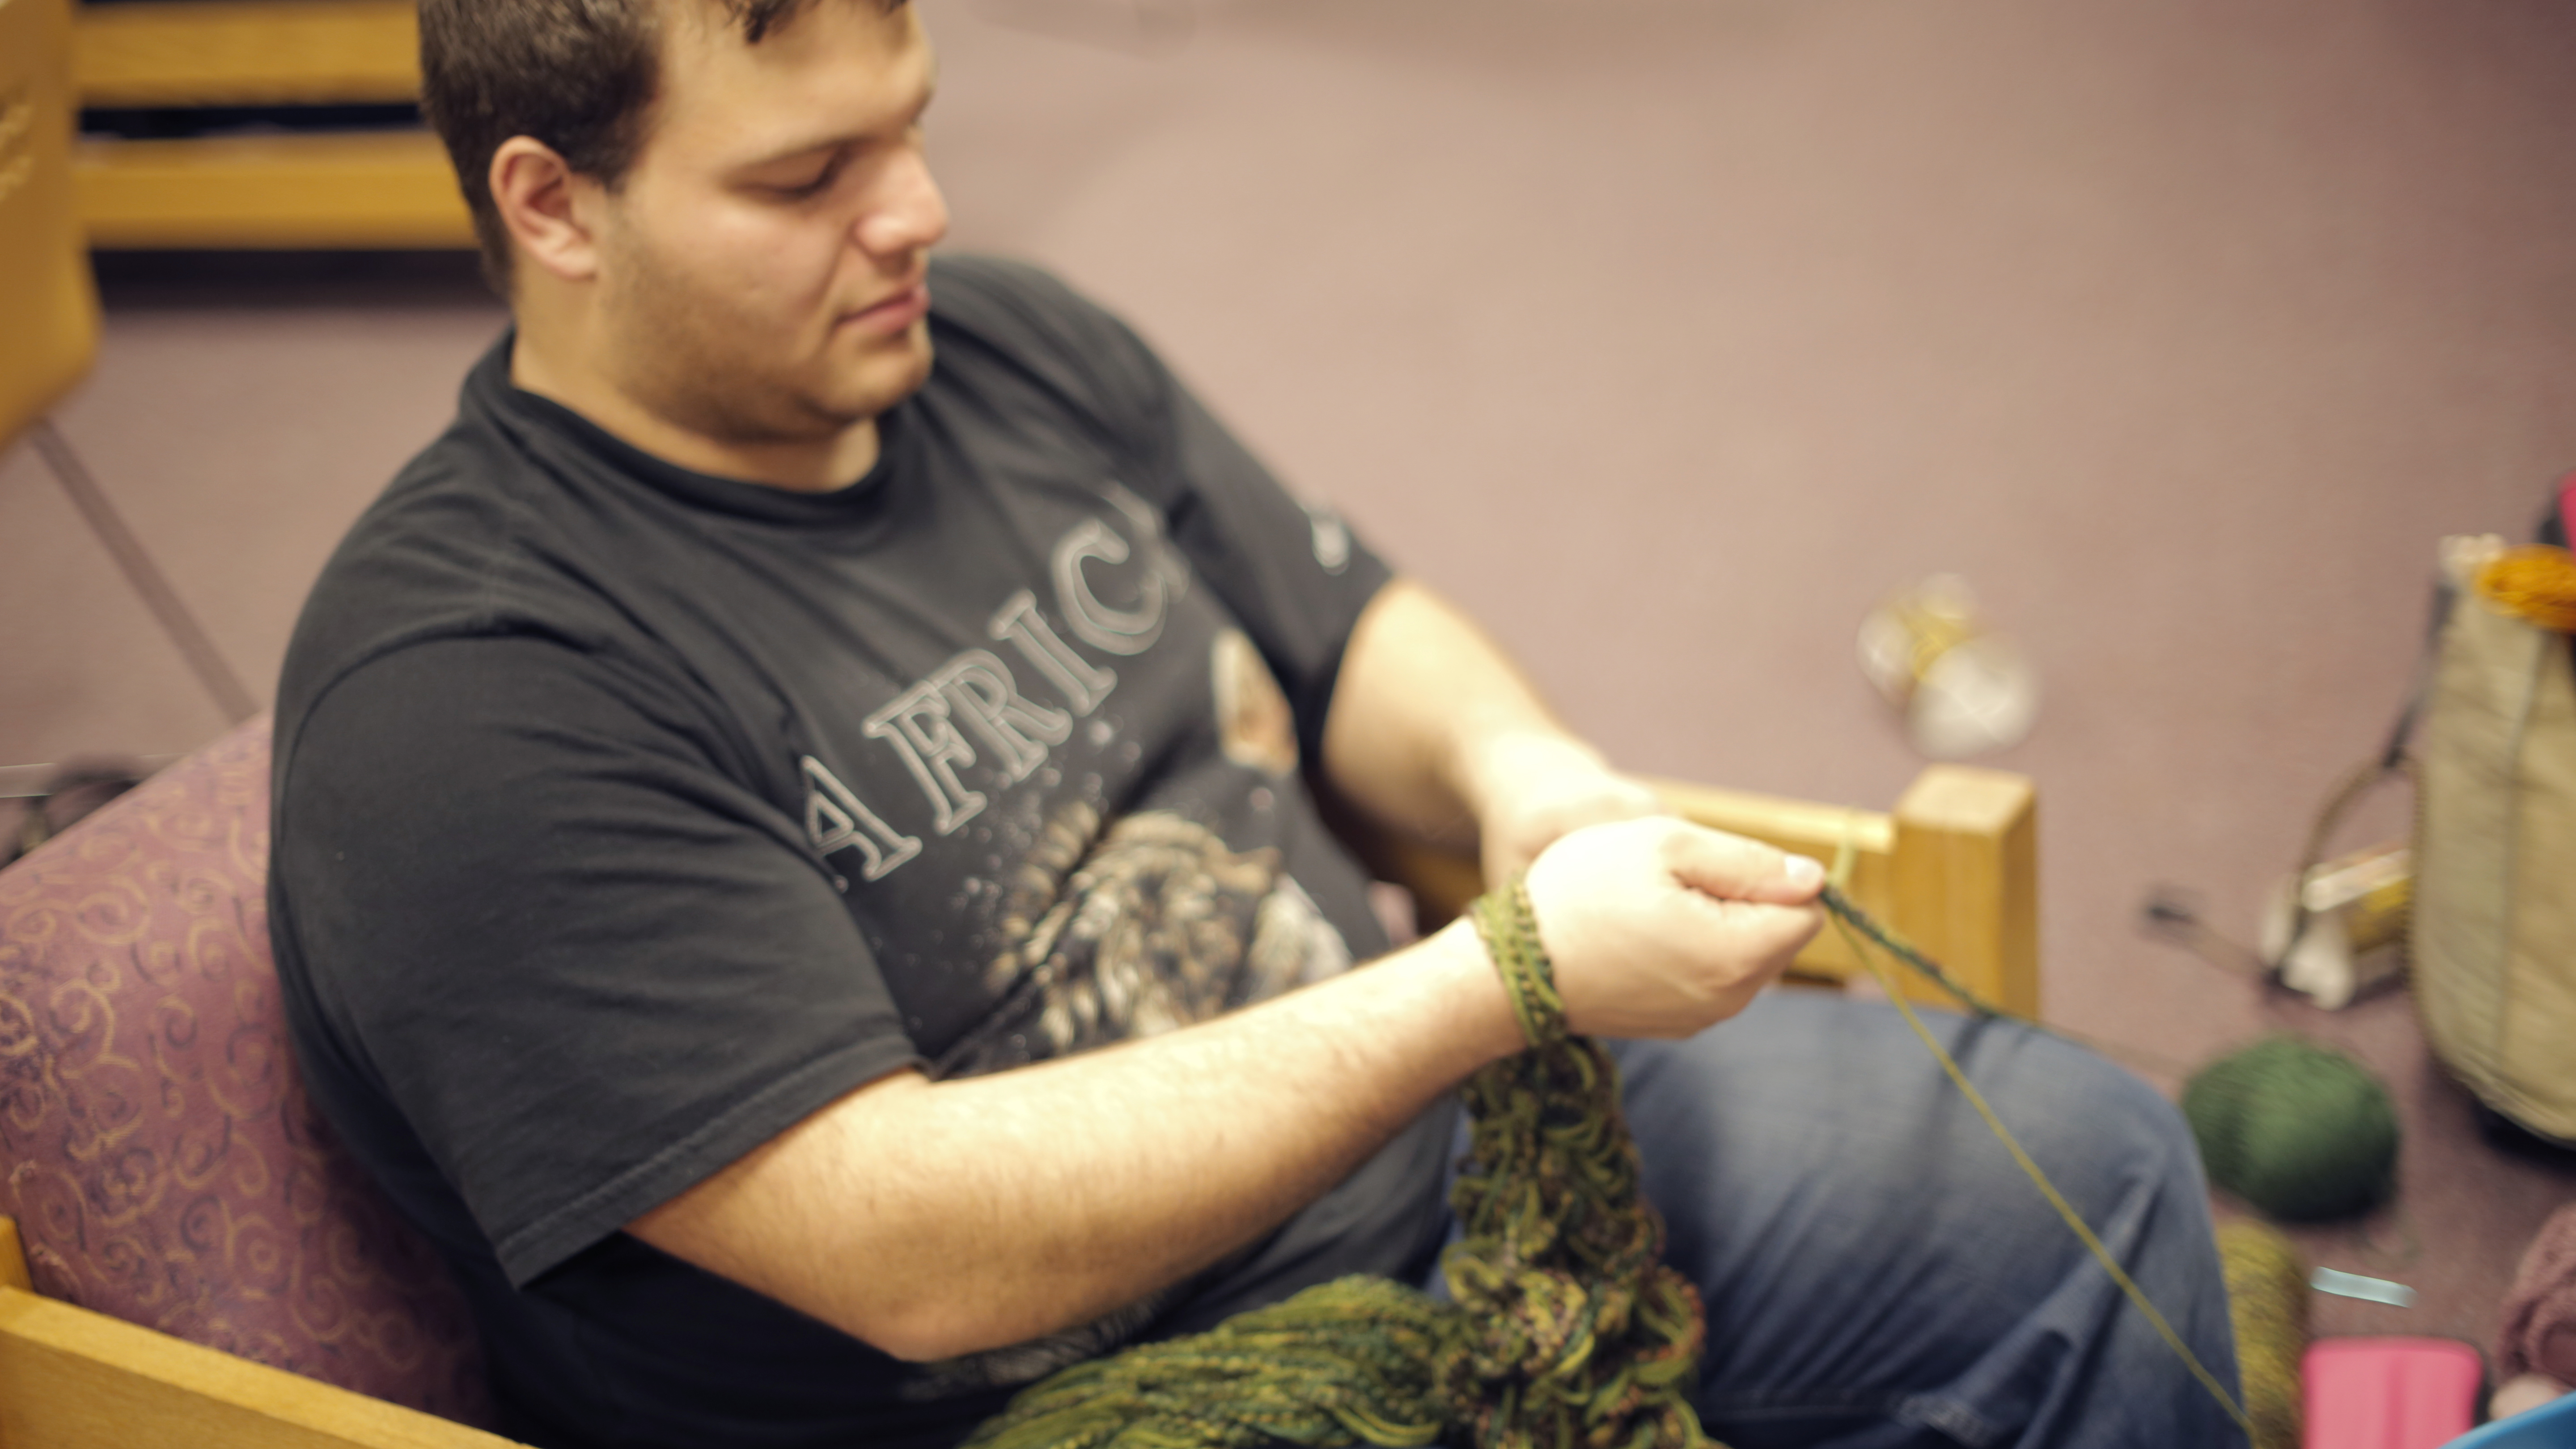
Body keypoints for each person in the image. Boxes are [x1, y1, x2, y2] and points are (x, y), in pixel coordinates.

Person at [266, 0, 2247, 1444]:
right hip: (1108, 1401)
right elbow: (903, 1242)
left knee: (2093, 1170)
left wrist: (1519, 773)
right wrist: (1507, 977)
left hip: (1439, 1161)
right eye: (809, 177)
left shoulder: (1000, 352)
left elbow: (1349, 627)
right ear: (554, 205)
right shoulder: (471, 699)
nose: (920, 214)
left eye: (915, 126)